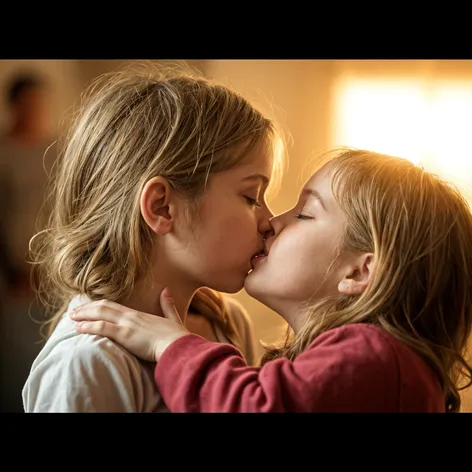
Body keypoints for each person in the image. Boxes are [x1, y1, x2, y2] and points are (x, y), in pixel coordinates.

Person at [71, 148, 472, 413]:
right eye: (251, 198)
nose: (271, 222)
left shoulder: (374, 357)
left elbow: (255, 406)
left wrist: (170, 344)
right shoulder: (376, 364)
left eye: (304, 214)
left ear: (360, 271)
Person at [22, 63, 285, 412]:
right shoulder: (87, 364)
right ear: (162, 207)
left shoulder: (228, 325)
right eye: (251, 197)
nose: (269, 221)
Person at [0, 70, 57, 413]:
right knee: (19, 359)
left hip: (56, 272)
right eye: (28, 105)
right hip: (16, 279)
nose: (35, 111)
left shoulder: (58, 148)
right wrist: (13, 272)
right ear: (13, 107)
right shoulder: (3, 154)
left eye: (40, 104)